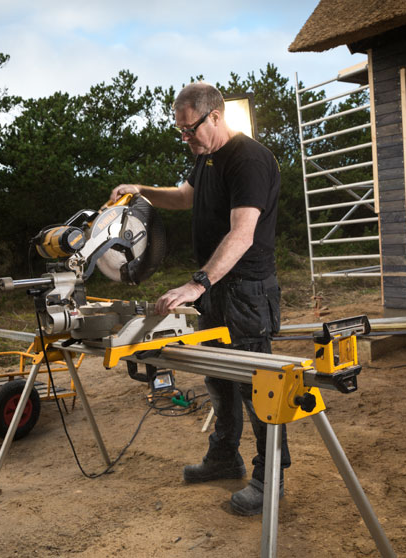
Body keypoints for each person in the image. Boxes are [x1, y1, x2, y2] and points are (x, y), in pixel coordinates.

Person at [109, 82, 287, 516]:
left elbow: (242, 234)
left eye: (190, 129)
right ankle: (224, 457)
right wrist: (141, 190)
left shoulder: (248, 160)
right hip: (218, 290)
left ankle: (271, 478)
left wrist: (197, 284)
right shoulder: (206, 157)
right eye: (180, 131)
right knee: (218, 379)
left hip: (246, 291)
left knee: (257, 387)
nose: (185, 137)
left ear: (216, 116)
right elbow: (184, 197)